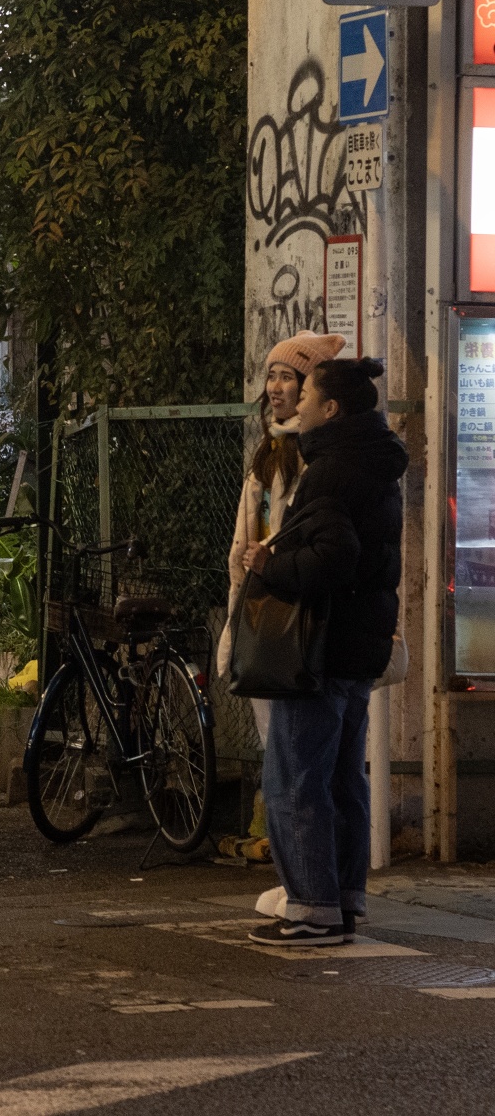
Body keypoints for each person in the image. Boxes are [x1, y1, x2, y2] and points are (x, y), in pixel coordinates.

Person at [240, 356, 404, 947]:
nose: (295, 400)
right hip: (360, 644)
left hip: (323, 647)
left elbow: (332, 559)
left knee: (295, 779)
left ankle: (311, 907)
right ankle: (342, 898)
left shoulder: (331, 471)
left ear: (331, 408)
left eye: (305, 391)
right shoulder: (375, 464)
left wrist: (271, 564)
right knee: (342, 778)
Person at [218, 330, 342, 868]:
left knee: (296, 757)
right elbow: (244, 537)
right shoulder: (268, 450)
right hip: (261, 604)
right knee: (279, 749)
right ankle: (295, 872)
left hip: (292, 609)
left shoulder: (317, 457)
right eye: (271, 376)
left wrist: (262, 560)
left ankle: (305, 880)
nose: (275, 387)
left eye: (287, 377)